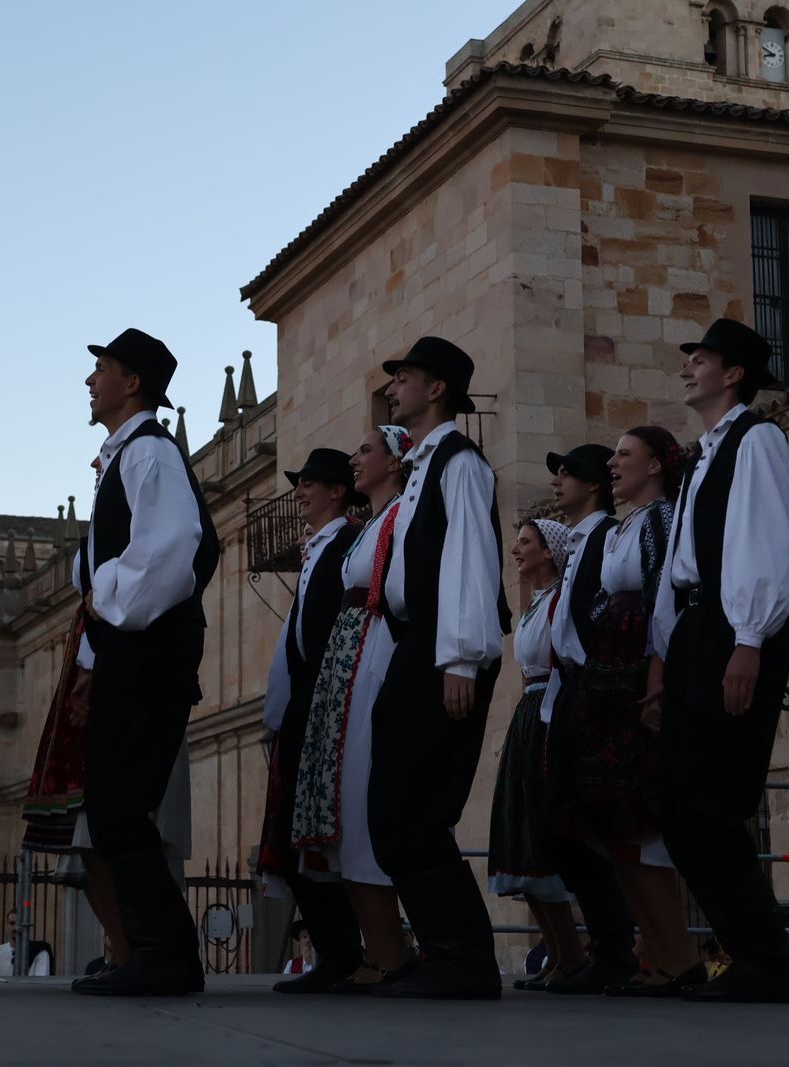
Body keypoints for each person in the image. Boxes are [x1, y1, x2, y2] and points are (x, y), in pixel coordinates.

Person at [645, 318, 789, 1005]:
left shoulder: (756, 439)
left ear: (732, 372)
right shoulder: (703, 455)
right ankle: (746, 954)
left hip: (733, 626)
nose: (687, 370)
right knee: (678, 808)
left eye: (700, 359)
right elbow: (681, 566)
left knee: (711, 803)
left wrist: (747, 638)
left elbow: (765, 540)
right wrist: (664, 660)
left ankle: (766, 961)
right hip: (697, 628)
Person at [68, 328, 220, 998]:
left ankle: (165, 954)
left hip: (146, 655)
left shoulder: (150, 453)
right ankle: (159, 952)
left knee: (121, 807)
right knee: (114, 808)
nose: (89, 380)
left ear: (132, 382)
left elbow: (179, 543)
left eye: (100, 368)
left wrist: (109, 602)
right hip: (130, 654)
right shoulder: (129, 456)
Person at [366, 337, 511, 1000]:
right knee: (395, 812)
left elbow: (471, 560)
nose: (394, 387)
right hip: (416, 647)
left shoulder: (459, 462)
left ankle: (463, 957)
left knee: (415, 811)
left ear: (438, 390)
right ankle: (447, 948)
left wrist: (459, 657)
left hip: (440, 651)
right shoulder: (424, 464)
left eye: (407, 377)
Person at [562, 427, 704, 999]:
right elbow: (601, 599)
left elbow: (663, 597)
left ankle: (678, 956)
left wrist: (656, 678)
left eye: (625, 455)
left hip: (634, 674)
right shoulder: (623, 528)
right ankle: (659, 956)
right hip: (608, 672)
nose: (614, 464)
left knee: (640, 821)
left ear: (654, 466)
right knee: (615, 824)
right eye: (614, 456)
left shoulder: (661, 520)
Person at [292, 426, 416, 992]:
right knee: (345, 796)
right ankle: (379, 947)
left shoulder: (397, 520)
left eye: (366, 450)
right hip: (350, 662)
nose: (355, 460)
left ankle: (391, 950)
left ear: (395, 462)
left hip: (371, 655)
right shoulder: (370, 528)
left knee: (362, 794)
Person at [257, 447, 368, 994]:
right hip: (302, 702)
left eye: (310, 483)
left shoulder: (346, 545)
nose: (299, 491)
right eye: (299, 483)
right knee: (295, 831)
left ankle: (345, 953)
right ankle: (336, 952)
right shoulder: (319, 548)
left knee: (312, 831)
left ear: (338, 491)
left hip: (324, 701)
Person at [538, 444, 640, 996]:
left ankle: (615, 950)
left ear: (595, 485)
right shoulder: (580, 543)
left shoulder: (604, 538)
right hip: (570, 691)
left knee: (585, 827)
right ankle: (608, 947)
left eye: (569, 473)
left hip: (594, 687)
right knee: (563, 830)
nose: (557, 481)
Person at [487, 518, 583, 992]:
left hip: (549, 716)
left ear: (550, 552)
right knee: (522, 837)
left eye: (525, 543)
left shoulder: (560, 602)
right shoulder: (533, 608)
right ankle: (559, 954)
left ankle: (572, 954)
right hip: (530, 717)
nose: (517, 551)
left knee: (540, 838)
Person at [0, 909, 20, 977]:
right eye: (12, 923)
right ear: (6, 926)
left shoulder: (38, 953)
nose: (16, 928)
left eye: (19, 924)